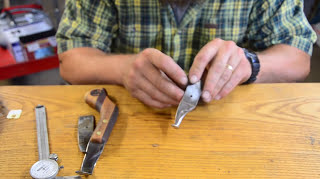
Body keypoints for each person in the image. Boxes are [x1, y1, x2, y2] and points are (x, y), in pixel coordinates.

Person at [56, 0, 316, 108]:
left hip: (230, 122)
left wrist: (250, 64)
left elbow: (298, 57)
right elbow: (72, 60)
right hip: (127, 116)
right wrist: (123, 69)